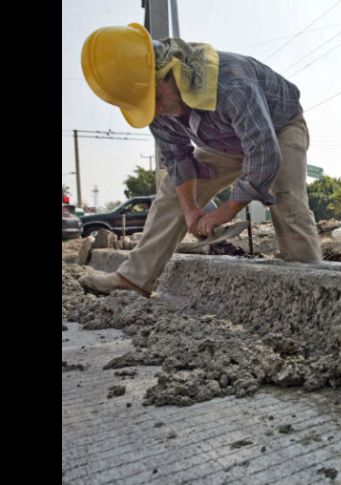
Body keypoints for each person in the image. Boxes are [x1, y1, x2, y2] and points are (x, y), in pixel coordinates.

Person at [78, 23, 322, 297]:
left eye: (157, 98)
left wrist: (226, 209)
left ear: (172, 72)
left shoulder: (231, 82)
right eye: (148, 105)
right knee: (172, 192)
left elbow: (263, 152)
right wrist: (191, 209)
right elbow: (178, 159)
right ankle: (134, 278)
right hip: (223, 143)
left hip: (279, 129)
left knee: (285, 197)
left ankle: (310, 286)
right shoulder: (156, 110)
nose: (158, 111)